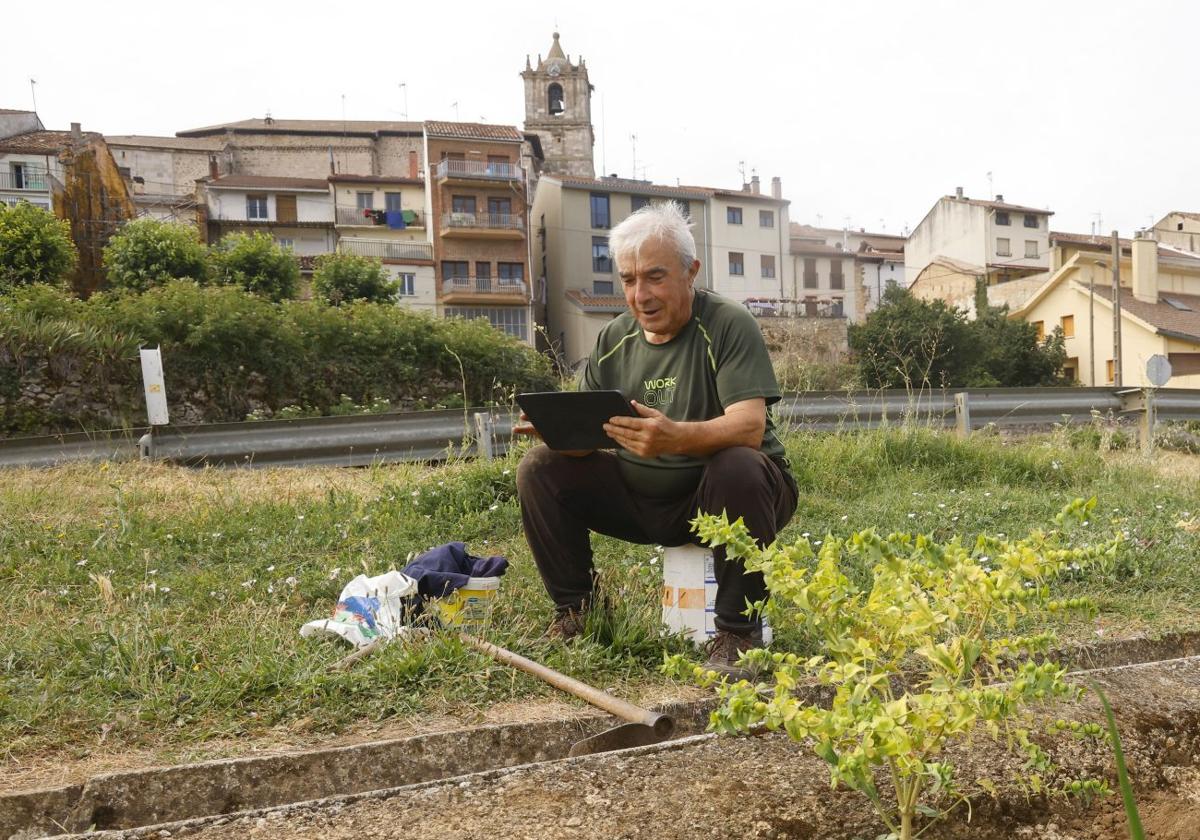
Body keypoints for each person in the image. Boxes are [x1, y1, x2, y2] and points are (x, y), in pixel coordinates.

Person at [515, 201, 797, 679]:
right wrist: (561, 433)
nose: (640, 294)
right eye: (628, 280)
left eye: (654, 276)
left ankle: (736, 632)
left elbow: (749, 427)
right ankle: (577, 612)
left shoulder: (728, 324)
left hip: (731, 498)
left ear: (691, 272)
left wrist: (674, 439)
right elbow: (590, 440)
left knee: (738, 465)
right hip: (642, 501)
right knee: (540, 467)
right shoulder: (613, 339)